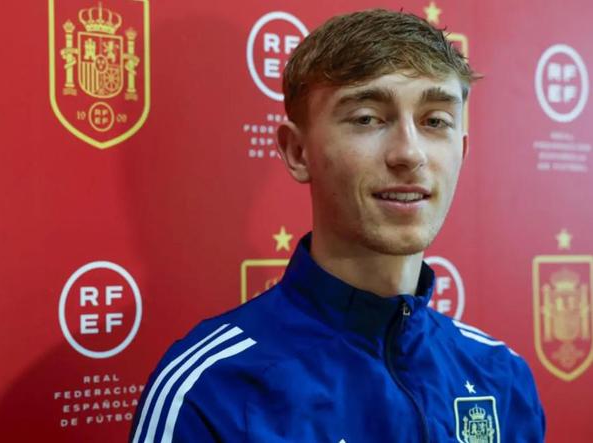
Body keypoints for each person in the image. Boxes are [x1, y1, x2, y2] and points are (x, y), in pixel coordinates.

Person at [130, 9, 545, 442]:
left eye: (435, 121)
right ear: (298, 152)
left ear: (462, 150)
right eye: (367, 118)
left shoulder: (502, 377)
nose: (410, 153)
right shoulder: (212, 391)